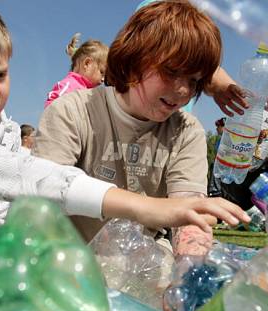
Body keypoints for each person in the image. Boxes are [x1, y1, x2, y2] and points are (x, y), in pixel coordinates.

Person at [0, 0, 247, 254]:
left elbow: (3, 212)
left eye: (0, 75)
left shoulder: (5, 134)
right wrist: (145, 207)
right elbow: (29, 180)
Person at [34, 1, 223, 256]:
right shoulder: (73, 111)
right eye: (171, 71)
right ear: (135, 58)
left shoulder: (186, 131)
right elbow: (41, 203)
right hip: (69, 261)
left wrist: (191, 271)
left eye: (194, 80)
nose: (183, 91)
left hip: (145, 266)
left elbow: (189, 219)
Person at [44, 33, 108, 107]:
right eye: (101, 72)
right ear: (87, 64)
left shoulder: (89, 93)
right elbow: (52, 107)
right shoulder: (70, 85)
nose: (103, 79)